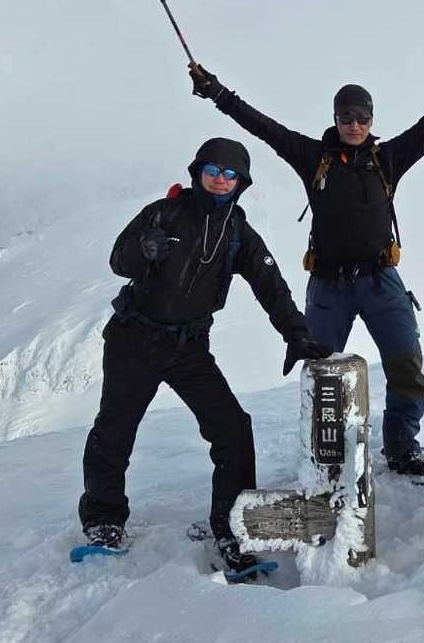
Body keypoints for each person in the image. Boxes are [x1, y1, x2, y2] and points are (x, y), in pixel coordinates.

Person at [188, 57, 424, 483]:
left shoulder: (387, 158)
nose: (354, 125)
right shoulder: (312, 157)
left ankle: (402, 447)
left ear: (372, 120)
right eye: (346, 117)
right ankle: (328, 457)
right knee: (323, 374)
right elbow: (264, 127)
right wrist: (217, 93)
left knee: (406, 364)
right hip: (328, 286)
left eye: (362, 118)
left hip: (381, 281)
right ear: (335, 119)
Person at [79, 136, 331, 576]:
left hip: (189, 347)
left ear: (241, 183)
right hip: (134, 339)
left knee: (232, 428)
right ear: (198, 172)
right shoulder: (164, 213)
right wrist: (143, 250)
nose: (220, 180)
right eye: (212, 171)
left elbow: (271, 286)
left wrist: (296, 334)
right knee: (115, 429)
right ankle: (103, 520)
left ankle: (232, 528)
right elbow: (118, 260)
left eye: (230, 174)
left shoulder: (238, 233)